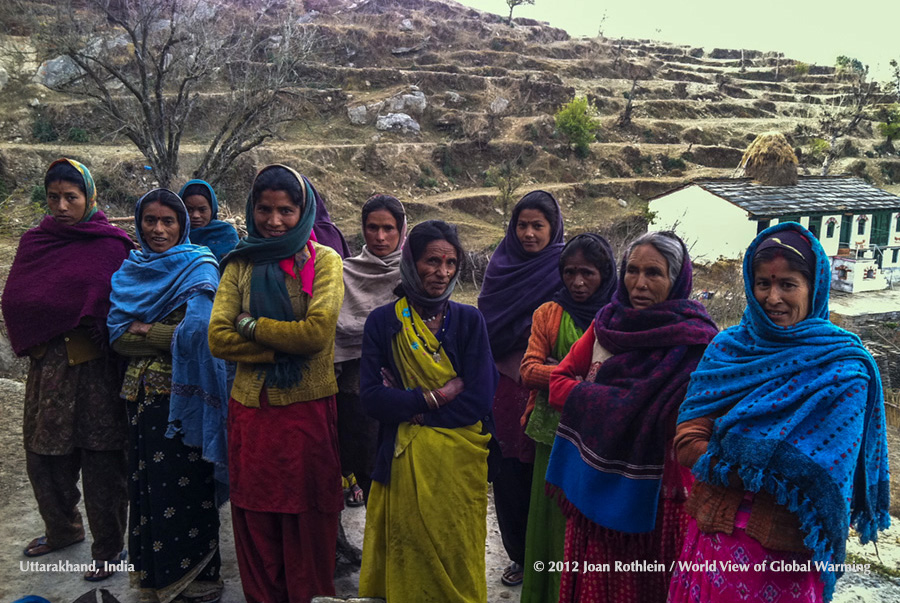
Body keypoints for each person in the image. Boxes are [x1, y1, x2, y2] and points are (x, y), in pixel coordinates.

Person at [670, 223, 891, 603]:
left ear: (814, 286)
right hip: (711, 537)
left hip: (786, 551)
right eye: (762, 284)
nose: (773, 298)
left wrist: (730, 453)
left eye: (788, 284)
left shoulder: (844, 369)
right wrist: (756, 462)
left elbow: (821, 472)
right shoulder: (728, 350)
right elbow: (687, 440)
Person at [546, 231, 718, 603]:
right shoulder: (606, 326)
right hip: (597, 489)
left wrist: (603, 398)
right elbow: (558, 382)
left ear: (677, 279)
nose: (639, 284)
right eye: (632, 270)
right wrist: (612, 402)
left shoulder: (698, 341)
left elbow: (702, 418)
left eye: (654, 273)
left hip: (662, 499)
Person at [207, 165, 344, 603]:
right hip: (252, 412)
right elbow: (217, 337)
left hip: (307, 413)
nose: (273, 221)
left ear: (303, 211)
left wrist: (248, 324)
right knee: (256, 516)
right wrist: (278, 347)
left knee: (307, 516)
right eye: (264, 209)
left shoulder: (324, 261)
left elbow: (316, 334)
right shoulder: (240, 263)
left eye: (286, 210)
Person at [2, 158, 133, 580]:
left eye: (70, 197)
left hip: (96, 373)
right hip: (49, 371)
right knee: (44, 457)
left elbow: (125, 302)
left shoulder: (112, 244)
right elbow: (16, 300)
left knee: (102, 463)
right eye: (54, 197)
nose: (61, 206)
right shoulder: (35, 243)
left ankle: (109, 548)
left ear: (89, 197)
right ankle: (63, 530)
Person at [358, 220, 499, 603]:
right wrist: (433, 398)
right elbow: (371, 397)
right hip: (401, 460)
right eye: (432, 261)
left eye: (451, 262)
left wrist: (408, 407)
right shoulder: (383, 323)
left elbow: (480, 398)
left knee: (457, 549)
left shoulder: (469, 321)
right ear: (410, 262)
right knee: (411, 548)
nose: (442, 272)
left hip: (460, 462)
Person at [107, 188, 228, 603]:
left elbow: (200, 335)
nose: (158, 230)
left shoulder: (199, 267)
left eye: (168, 221)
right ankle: (156, 578)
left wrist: (149, 330)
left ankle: (199, 579)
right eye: (150, 221)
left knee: (184, 489)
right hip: (141, 398)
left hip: (185, 400)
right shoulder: (131, 270)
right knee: (146, 488)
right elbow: (118, 338)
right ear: (138, 223)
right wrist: (162, 336)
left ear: (184, 226)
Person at [518, 233, 617, 603]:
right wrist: (581, 379)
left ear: (604, 274)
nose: (577, 282)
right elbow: (527, 370)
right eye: (570, 272)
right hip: (553, 436)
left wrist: (557, 375)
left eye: (588, 273)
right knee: (550, 519)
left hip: (601, 438)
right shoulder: (548, 313)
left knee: (590, 520)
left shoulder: (617, 318)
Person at [477, 189, 564, 587]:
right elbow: (486, 325)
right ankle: (519, 556)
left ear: (553, 229)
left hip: (550, 390)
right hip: (504, 390)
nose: (529, 233)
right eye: (522, 225)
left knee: (546, 474)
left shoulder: (565, 268)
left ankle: (550, 558)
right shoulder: (500, 268)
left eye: (537, 226)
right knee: (509, 475)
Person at [334, 194, 407, 505]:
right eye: (372, 228)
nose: (380, 237)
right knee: (367, 469)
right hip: (354, 392)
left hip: (405, 390)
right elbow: (334, 330)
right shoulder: (344, 273)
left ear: (402, 230)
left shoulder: (415, 273)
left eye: (389, 228)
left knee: (402, 480)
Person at [178, 179, 239, 262]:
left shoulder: (226, 234)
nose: (196, 215)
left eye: (202, 210)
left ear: (212, 209)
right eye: (189, 210)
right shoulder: (174, 235)